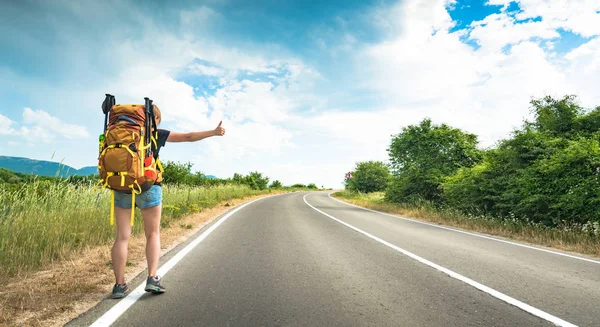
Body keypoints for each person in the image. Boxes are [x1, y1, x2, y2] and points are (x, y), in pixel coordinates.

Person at [110, 107, 226, 299]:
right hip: (148, 185)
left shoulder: (115, 132)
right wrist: (213, 132)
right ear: (153, 118)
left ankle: (119, 286)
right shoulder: (154, 133)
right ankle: (152, 278)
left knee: (122, 237)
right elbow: (188, 137)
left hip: (121, 184)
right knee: (152, 233)